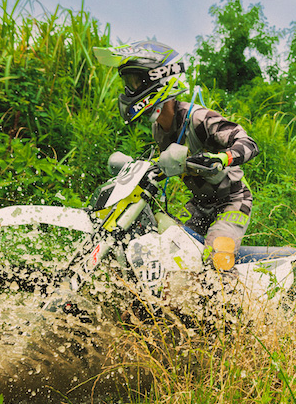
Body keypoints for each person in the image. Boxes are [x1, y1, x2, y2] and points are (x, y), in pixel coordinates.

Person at [93, 40, 259, 271]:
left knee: (217, 253)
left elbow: (248, 143)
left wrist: (222, 158)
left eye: (135, 81)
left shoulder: (199, 118)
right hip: (199, 205)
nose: (130, 89)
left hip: (231, 201)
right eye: (128, 83)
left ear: (159, 81)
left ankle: (231, 305)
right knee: (173, 248)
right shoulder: (159, 129)